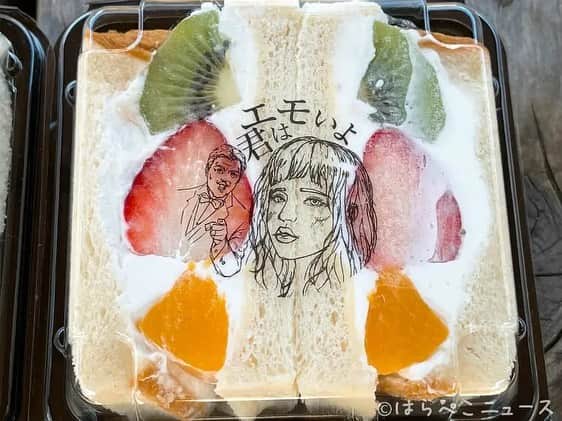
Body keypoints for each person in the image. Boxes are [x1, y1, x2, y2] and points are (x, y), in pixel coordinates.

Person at [250, 136, 377, 297]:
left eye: (313, 201)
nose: (285, 215)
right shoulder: (249, 280)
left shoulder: (358, 290)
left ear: (349, 212)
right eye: (278, 197)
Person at [178, 144, 250, 266]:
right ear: (207, 170)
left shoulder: (242, 218)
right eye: (219, 170)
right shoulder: (182, 195)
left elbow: (235, 263)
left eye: (233, 174)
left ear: (238, 180)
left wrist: (221, 243)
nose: (225, 178)